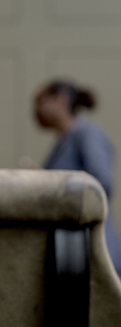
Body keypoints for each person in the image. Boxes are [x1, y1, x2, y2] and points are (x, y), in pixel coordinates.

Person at [34, 79, 121, 274]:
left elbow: (101, 184)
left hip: (94, 253)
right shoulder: (64, 141)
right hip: (74, 252)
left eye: (40, 101)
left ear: (61, 100)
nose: (36, 110)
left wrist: (51, 183)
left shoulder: (87, 134)